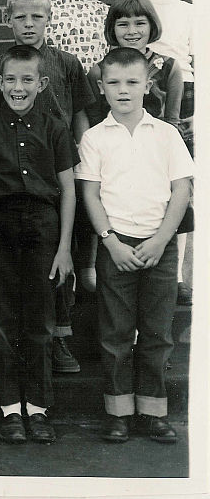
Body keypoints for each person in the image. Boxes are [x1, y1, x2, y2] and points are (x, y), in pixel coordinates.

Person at [76, 47, 193, 444]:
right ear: (102, 86)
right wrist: (110, 242)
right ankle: (119, 411)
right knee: (116, 333)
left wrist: (161, 240)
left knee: (158, 332)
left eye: (131, 82)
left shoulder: (166, 134)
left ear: (149, 84)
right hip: (118, 246)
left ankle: (153, 411)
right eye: (113, 83)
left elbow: (181, 191)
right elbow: (90, 195)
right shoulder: (94, 138)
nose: (122, 90)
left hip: (159, 245)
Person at [0, 45, 77, 445]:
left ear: (42, 84)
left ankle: (39, 408)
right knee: (2, 318)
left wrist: (64, 248)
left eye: (27, 79)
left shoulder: (55, 127)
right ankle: (11, 408)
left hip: (44, 230)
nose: (18, 87)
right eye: (10, 79)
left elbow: (67, 189)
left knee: (40, 319)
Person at [0, 0, 91, 374]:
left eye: (37, 16)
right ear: (6, 18)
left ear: (50, 17)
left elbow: (79, 113)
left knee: (58, 260)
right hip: (13, 175)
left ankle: (60, 337)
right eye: (20, 16)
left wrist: (81, 163)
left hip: (56, 172)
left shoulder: (66, 64)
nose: (29, 24)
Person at [128, 0, 194, 304]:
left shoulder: (189, 10)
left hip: (182, 90)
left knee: (177, 182)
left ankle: (177, 272)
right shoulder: (137, 4)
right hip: (141, 86)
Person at [84, 0, 183, 130]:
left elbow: (172, 121)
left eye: (140, 23)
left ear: (151, 25)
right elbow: (95, 121)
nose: (132, 31)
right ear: (112, 28)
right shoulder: (99, 71)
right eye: (123, 24)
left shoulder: (169, 67)